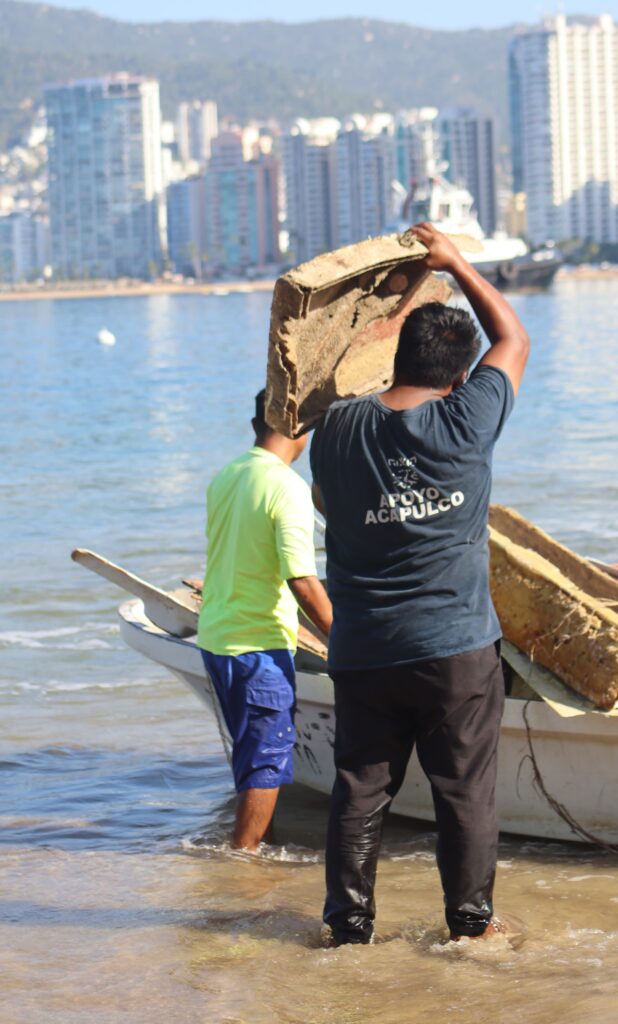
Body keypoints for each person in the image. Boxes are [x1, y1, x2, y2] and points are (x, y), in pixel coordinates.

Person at [310, 223, 529, 945]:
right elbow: (513, 338)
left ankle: (346, 929)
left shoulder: (337, 432)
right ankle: (468, 929)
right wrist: (453, 262)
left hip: (364, 648)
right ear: (460, 378)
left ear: (392, 356)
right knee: (463, 793)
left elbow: (333, 379)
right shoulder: (467, 420)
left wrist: (395, 306)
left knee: (360, 790)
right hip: (455, 650)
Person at [198, 390, 333, 851]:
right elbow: (303, 581)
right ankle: (243, 871)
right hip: (258, 648)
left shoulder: (228, 473)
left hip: (218, 640)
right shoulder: (286, 485)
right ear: (300, 428)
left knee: (253, 758)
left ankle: (263, 848)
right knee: (267, 761)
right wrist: (346, 638)